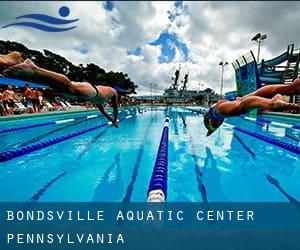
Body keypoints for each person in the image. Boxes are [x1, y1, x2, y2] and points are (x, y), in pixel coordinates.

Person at [4, 59, 132, 127]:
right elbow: (115, 108)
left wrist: (112, 120)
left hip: (89, 91)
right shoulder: (113, 92)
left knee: (56, 86)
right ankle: (33, 67)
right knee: (68, 86)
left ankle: (17, 63)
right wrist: (115, 119)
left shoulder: (103, 98)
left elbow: (103, 111)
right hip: (91, 91)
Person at [204, 78, 300, 136]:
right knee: (252, 96)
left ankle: (271, 103)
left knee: (242, 105)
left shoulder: (216, 118)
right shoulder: (216, 117)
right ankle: (290, 88)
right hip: (220, 106)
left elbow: (208, 122)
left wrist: (210, 130)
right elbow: (207, 119)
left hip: (219, 110)